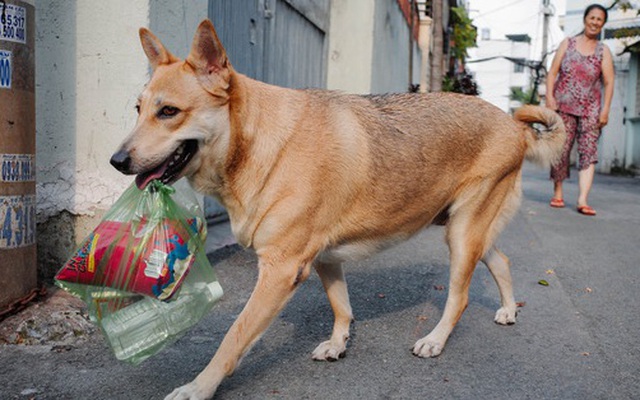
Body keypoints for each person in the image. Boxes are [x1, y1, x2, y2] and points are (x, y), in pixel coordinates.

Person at [545, 3, 615, 216]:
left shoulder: (604, 51)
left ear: (603, 24)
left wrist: (605, 110)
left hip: (590, 110)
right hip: (563, 106)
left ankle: (582, 199)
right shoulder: (568, 44)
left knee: (589, 152)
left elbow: (609, 82)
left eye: (599, 19)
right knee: (561, 150)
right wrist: (549, 96)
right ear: (585, 19)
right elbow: (552, 73)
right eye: (592, 17)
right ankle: (558, 192)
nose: (595, 22)